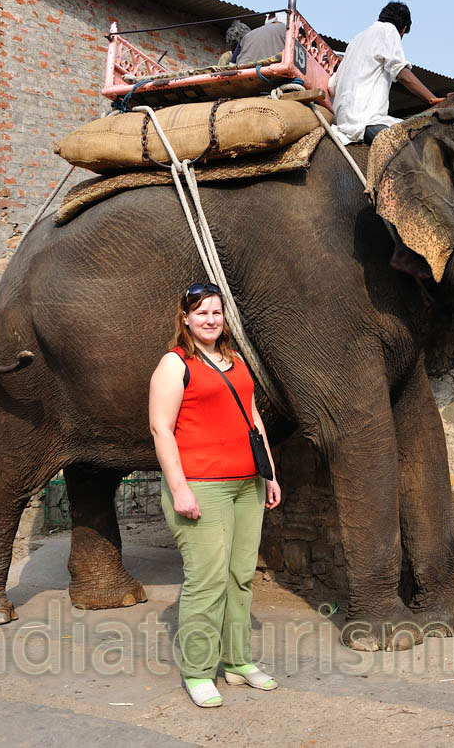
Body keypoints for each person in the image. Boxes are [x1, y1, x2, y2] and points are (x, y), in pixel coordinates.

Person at [148, 282, 282, 708]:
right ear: (185, 318)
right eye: (201, 312)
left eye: (216, 312)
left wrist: (270, 475)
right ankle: (198, 670)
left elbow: (254, 418)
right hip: (202, 487)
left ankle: (238, 660)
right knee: (207, 581)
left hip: (248, 484)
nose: (210, 319)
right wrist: (179, 488)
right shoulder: (175, 364)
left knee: (240, 576)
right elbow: (160, 429)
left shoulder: (236, 361)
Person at [328, 1, 443, 145]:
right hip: (366, 121)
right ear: (403, 29)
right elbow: (401, 72)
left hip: (343, 123)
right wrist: (432, 99)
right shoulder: (388, 30)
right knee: (419, 145)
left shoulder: (355, 42)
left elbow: (332, 86)